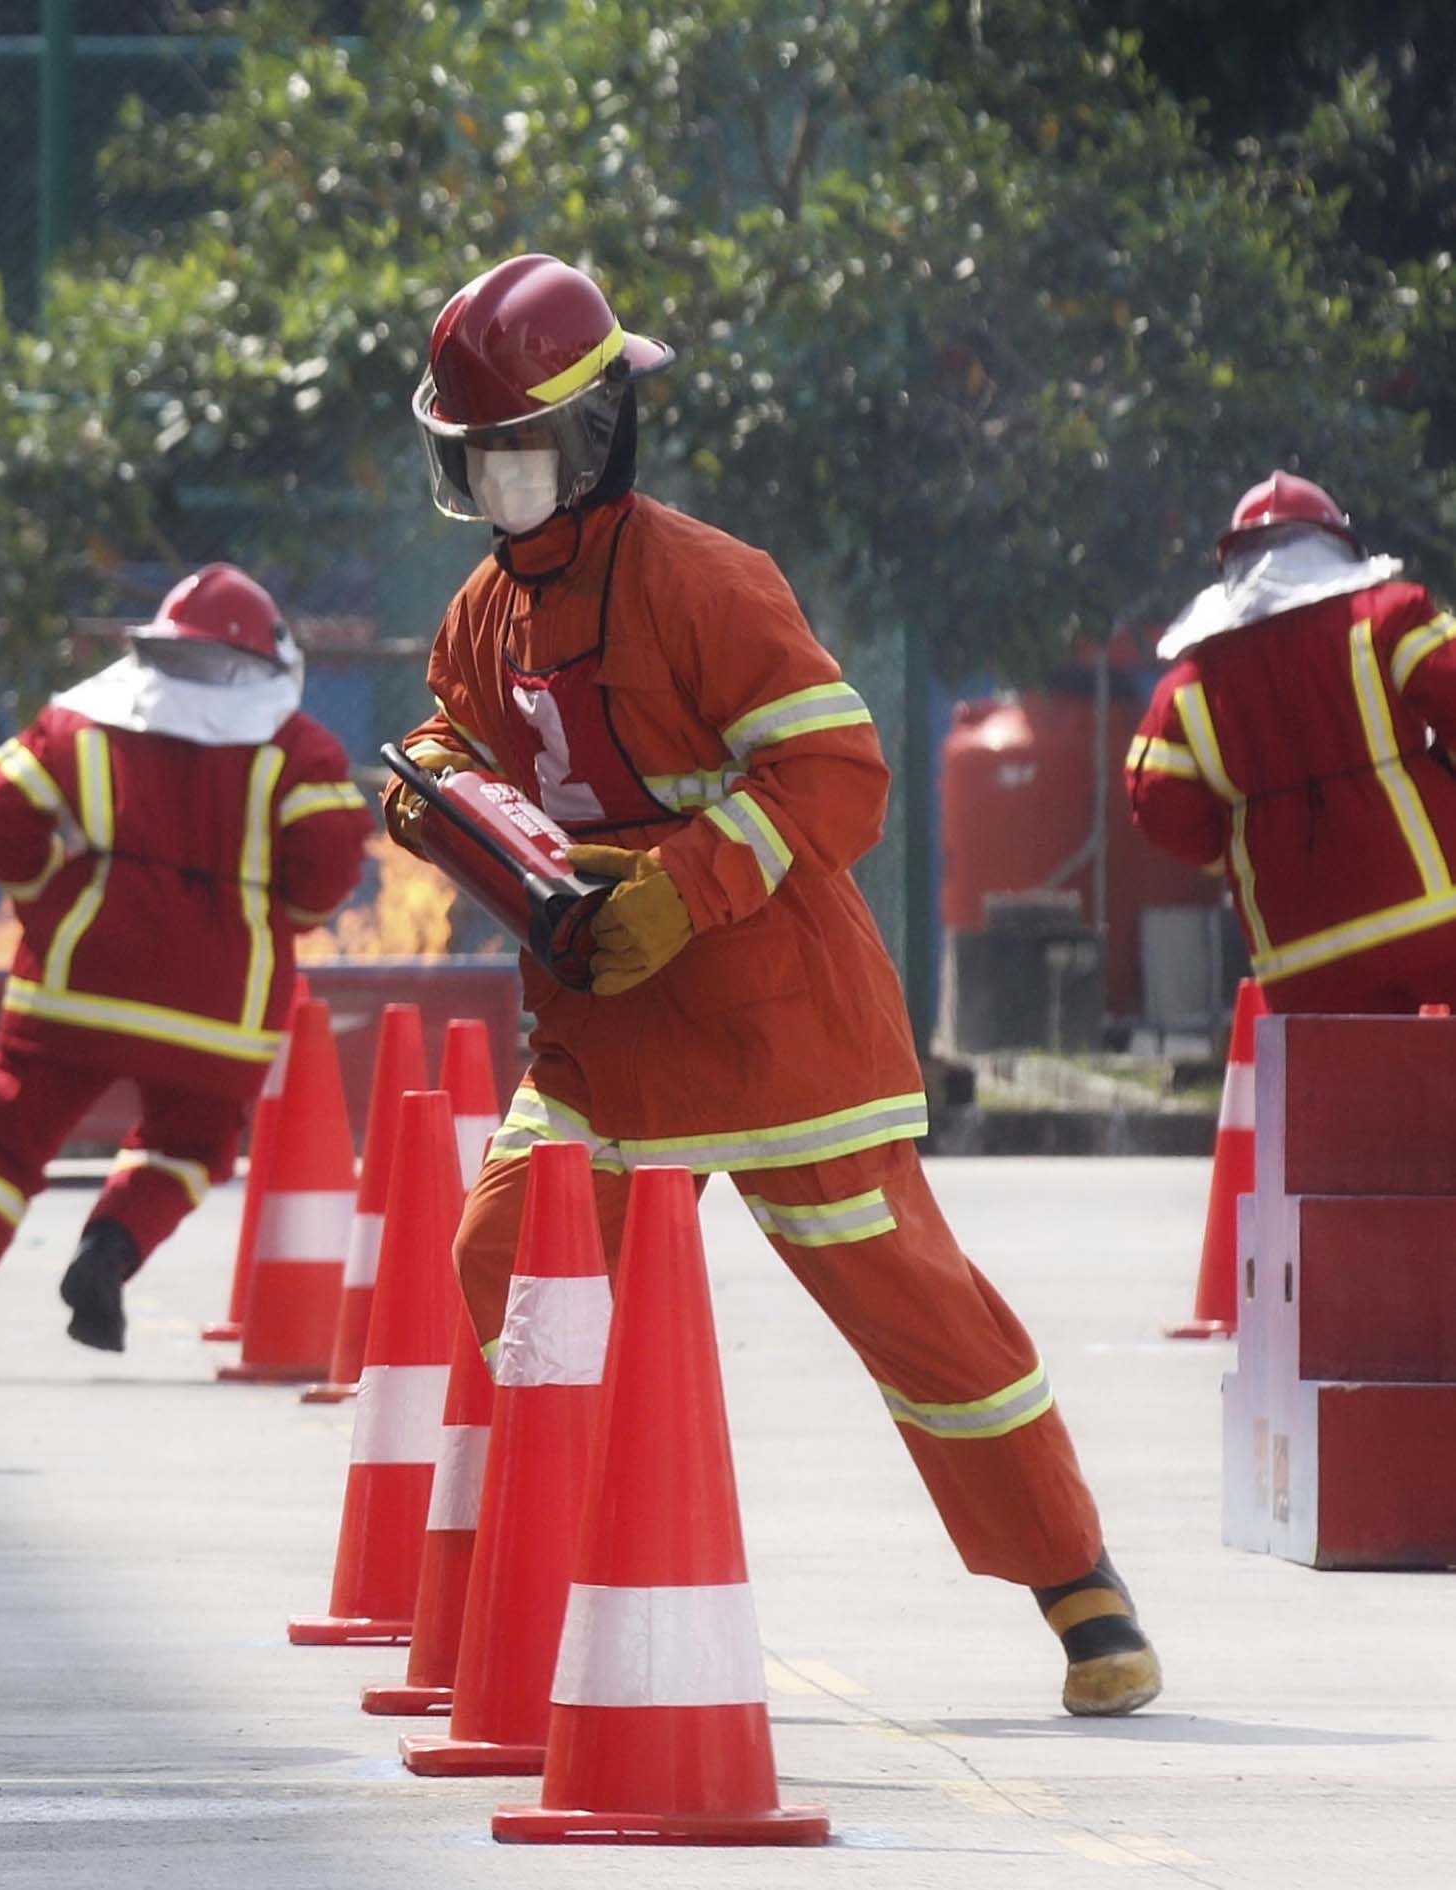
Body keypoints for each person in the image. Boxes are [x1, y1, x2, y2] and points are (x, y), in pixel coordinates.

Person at [385, 254, 1159, 1717]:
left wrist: (676, 891)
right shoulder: (481, 613)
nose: (498, 483)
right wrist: (432, 791)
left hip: (775, 1033)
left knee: (916, 1311)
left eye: (521, 451)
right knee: (508, 1264)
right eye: (474, 456)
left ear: (597, 434)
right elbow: (455, 738)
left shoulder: (706, 580)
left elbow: (834, 775)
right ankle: (586, 1575)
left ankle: (1077, 1585)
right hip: (601, 1041)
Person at [0, 565, 373, 1380]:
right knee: (188, 1143)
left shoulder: (79, 722)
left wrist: (47, 901)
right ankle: (109, 1249)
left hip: (79, 983)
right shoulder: (300, 748)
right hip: (220, 1006)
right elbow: (323, 874)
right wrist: (273, 921)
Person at [1127, 471, 1456, 1012]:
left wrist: (1243, 838)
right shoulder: (1386, 619)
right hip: (1436, 925)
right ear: (1334, 544)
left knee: (1338, 1095)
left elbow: (1157, 804)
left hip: (1299, 962)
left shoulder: (1185, 692)